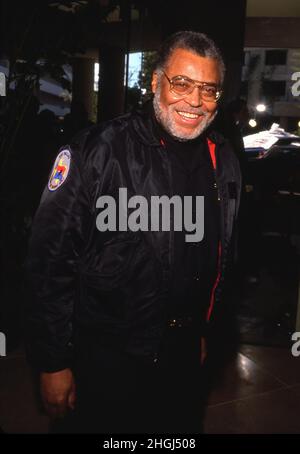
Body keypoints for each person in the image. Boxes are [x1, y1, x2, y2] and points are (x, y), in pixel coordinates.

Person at [26, 31, 241, 433]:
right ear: (156, 82)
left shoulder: (224, 159)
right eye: (181, 83)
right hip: (108, 360)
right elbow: (49, 262)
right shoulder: (98, 151)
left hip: (184, 354)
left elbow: (217, 257)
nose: (194, 101)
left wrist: (202, 330)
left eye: (208, 90)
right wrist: (53, 361)